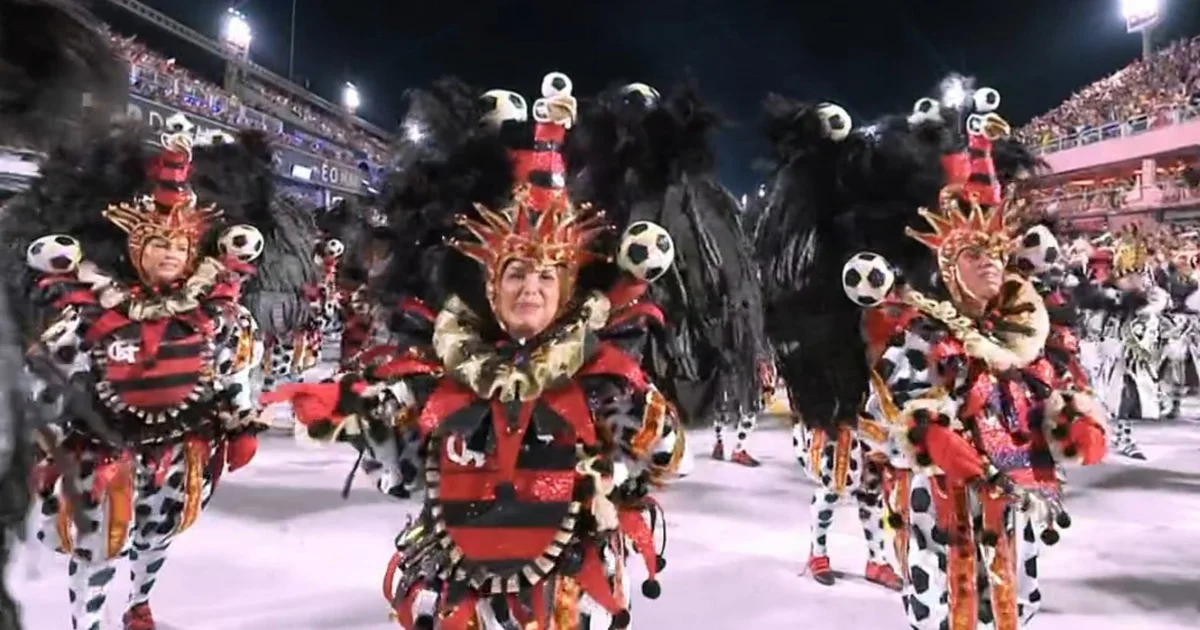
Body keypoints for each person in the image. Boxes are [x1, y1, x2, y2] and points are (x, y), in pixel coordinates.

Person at [263, 72, 687, 629]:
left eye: (545, 276)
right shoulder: (436, 371)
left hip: (563, 588)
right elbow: (403, 478)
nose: (530, 289)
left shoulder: (604, 375)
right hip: (461, 581)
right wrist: (354, 417)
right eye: (516, 274)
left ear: (567, 289)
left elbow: (664, 457)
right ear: (490, 284)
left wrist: (611, 474)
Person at [6, 117, 318, 629]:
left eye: (178, 246)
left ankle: (139, 604)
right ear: (136, 250)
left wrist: (240, 418)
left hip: (178, 451)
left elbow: (233, 370)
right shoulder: (90, 312)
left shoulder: (217, 313)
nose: (170, 254)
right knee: (98, 548)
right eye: (158, 244)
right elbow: (47, 377)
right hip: (102, 455)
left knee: (156, 536)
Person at [857, 189, 1108, 629]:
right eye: (973, 256)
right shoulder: (923, 333)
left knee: (1013, 593)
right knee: (940, 598)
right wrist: (930, 435)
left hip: (1013, 494)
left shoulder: (1028, 333)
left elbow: (1051, 397)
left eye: (994, 254)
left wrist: (1073, 425)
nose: (989, 263)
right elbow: (885, 416)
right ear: (950, 271)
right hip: (942, 495)